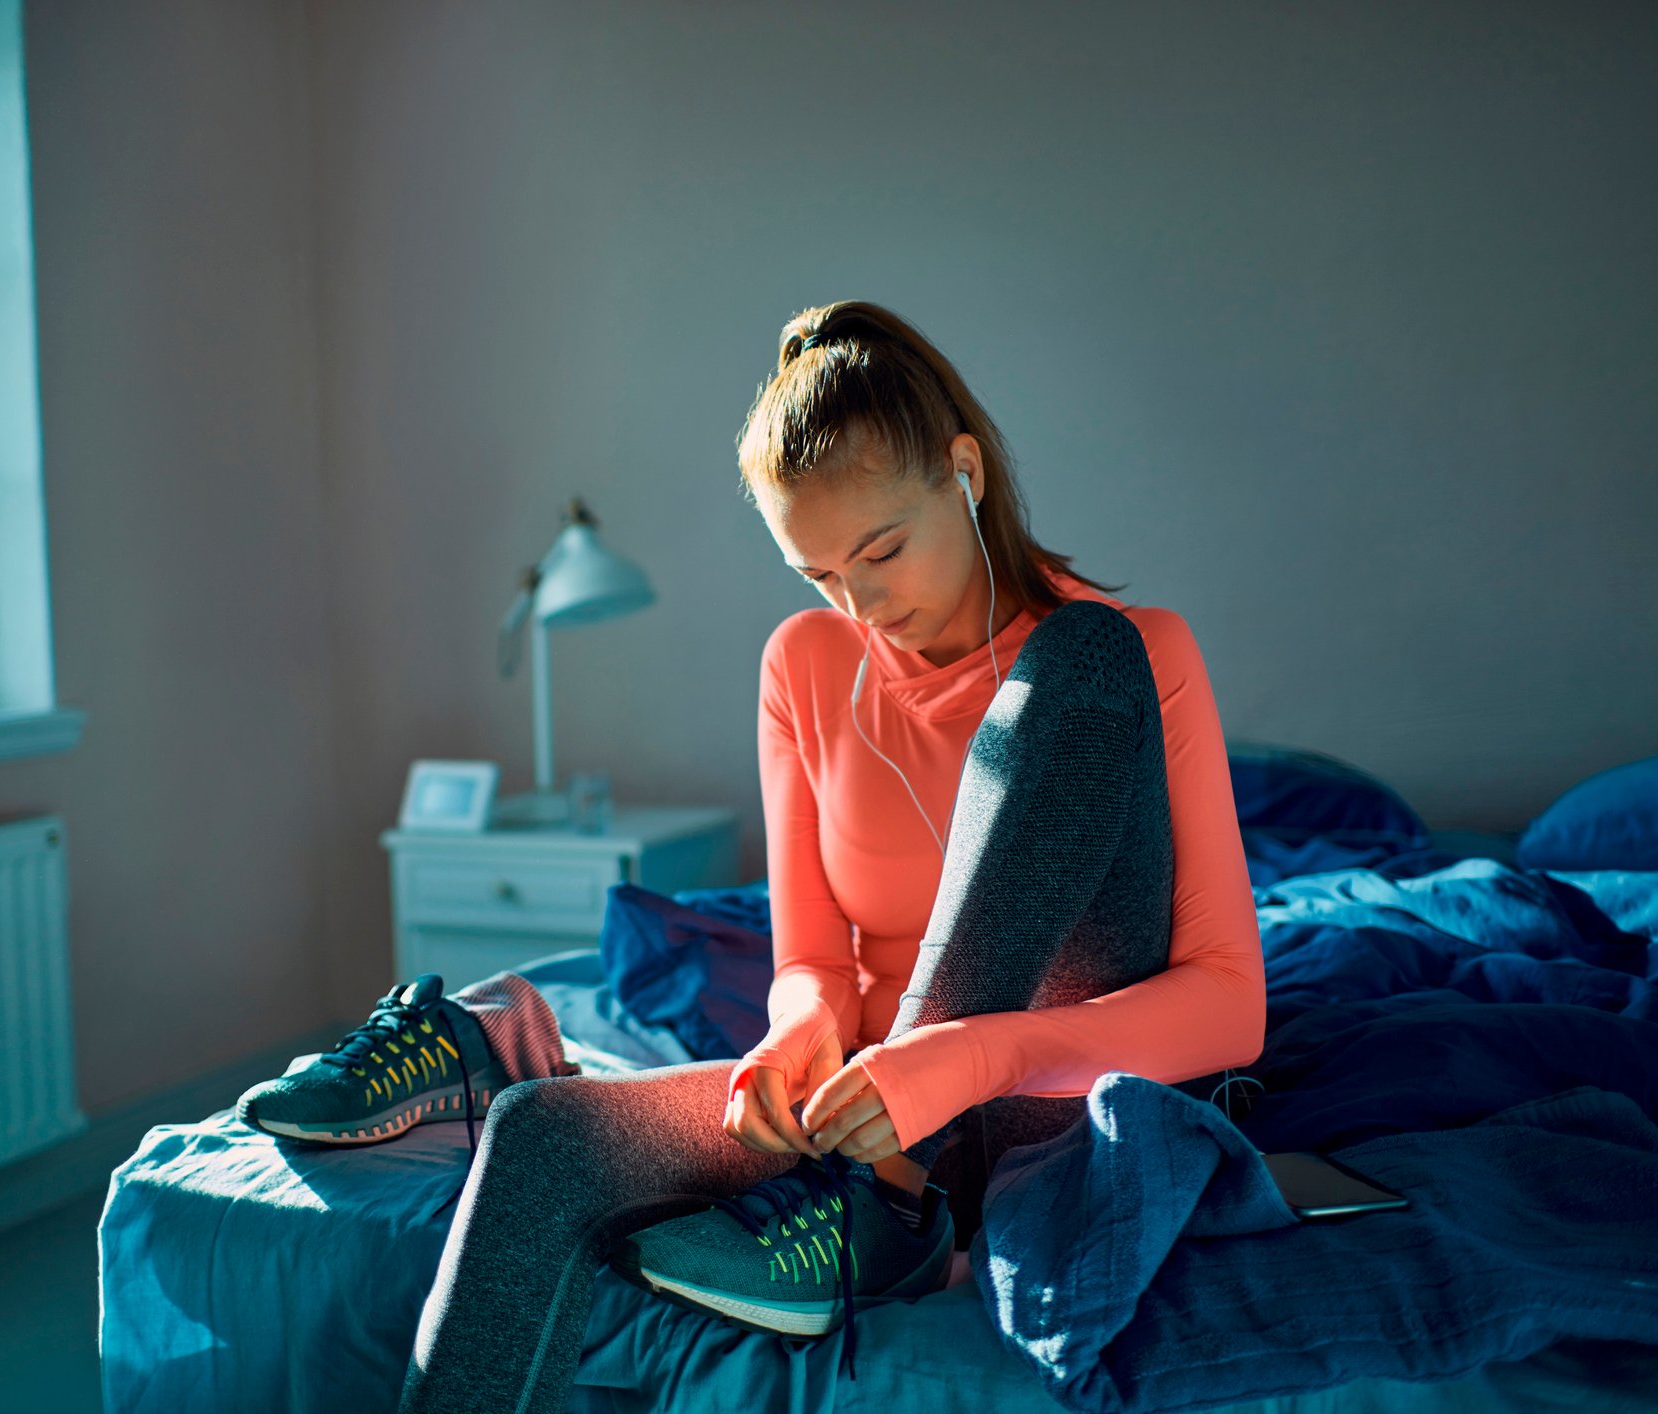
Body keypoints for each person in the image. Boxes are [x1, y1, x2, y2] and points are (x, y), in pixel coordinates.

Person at [235, 299, 1267, 1413]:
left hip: (1047, 1100)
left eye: (881, 550)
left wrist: (964, 1062)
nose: (861, 603)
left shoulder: (1130, 658)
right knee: (541, 1136)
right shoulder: (806, 665)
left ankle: (893, 1203)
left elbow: (1228, 1005)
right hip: (862, 1121)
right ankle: (871, 1202)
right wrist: (799, 1033)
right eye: (820, 574)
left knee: (1087, 653)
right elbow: (811, 959)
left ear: (962, 472)